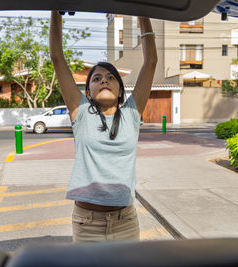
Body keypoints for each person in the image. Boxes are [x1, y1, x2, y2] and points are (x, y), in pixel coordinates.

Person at [49, 11, 157, 242]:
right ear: (88, 92)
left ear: (120, 91)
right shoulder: (81, 112)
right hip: (86, 224)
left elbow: (151, 62)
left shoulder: (131, 113)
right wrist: (56, 11)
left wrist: (143, 14)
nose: (104, 80)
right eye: (96, 78)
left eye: (111, 77)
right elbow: (57, 58)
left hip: (126, 221)